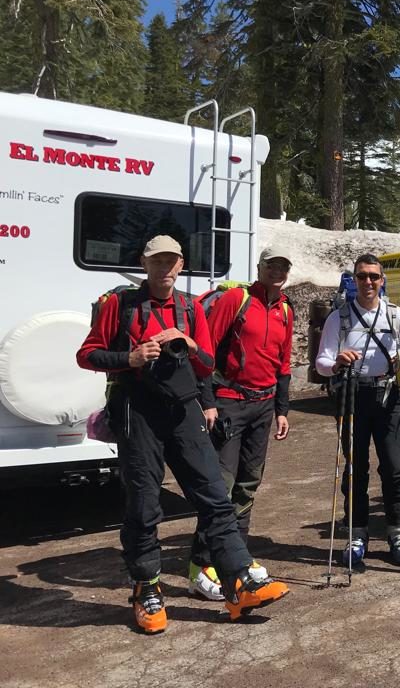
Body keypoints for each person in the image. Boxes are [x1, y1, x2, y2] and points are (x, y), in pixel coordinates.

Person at [77, 235, 288, 635]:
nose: (165, 268)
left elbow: (208, 364)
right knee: (143, 504)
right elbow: (87, 354)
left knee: (214, 496)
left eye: (172, 261)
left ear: (180, 265)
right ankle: (146, 587)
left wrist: (189, 344)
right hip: (136, 412)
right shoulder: (119, 305)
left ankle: (240, 579)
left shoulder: (191, 308)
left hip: (183, 412)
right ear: (145, 263)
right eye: (157, 261)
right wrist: (131, 357)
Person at [187, 247, 294, 600]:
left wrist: (282, 409)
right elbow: (205, 351)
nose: (277, 271)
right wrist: (208, 401)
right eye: (271, 265)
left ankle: (237, 557)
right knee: (221, 485)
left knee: (248, 483)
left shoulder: (286, 310)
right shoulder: (237, 299)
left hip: (263, 407)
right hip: (230, 402)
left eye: (283, 266)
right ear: (260, 267)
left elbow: (283, 364)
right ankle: (201, 564)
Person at [314, 253, 400, 567]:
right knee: (355, 467)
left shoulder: (395, 314)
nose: (368, 282)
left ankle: (398, 532)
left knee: (393, 467)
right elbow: (321, 363)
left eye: (374, 277)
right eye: (362, 276)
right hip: (352, 397)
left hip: (388, 397)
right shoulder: (340, 317)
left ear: (382, 280)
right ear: (355, 279)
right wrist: (337, 361)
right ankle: (357, 532)